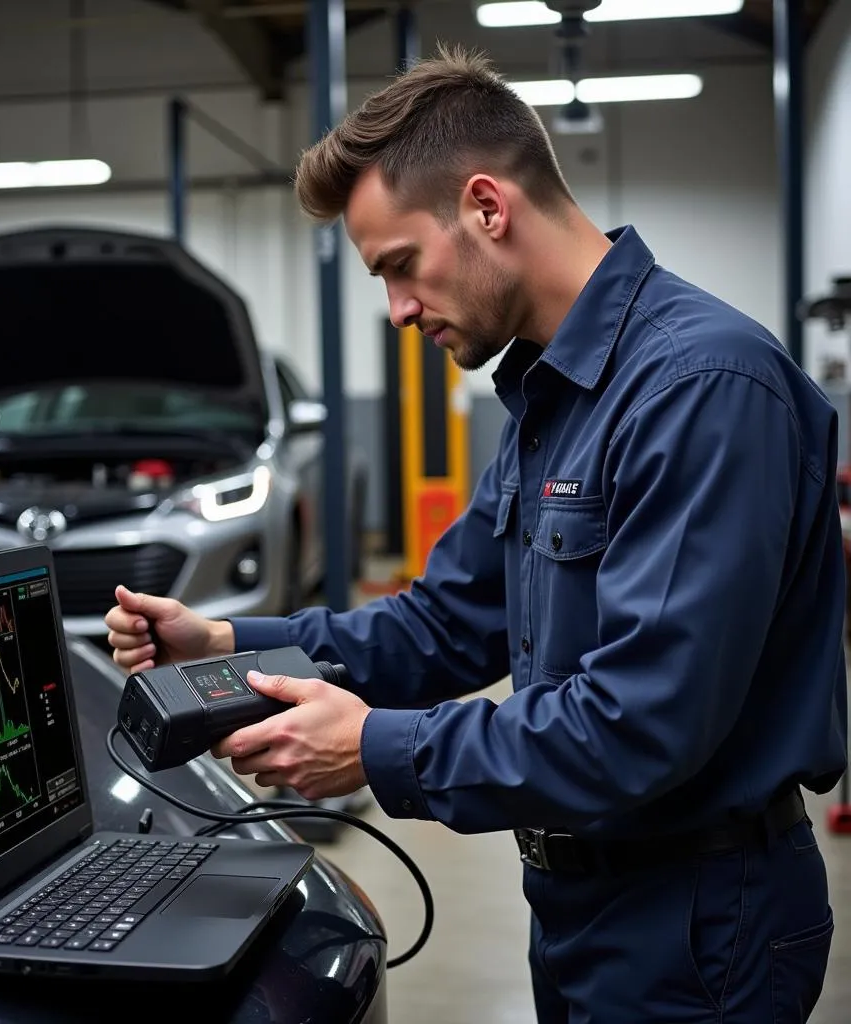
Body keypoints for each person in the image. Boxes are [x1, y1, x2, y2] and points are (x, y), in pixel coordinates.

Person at [105, 44, 848, 1022]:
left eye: (400, 267)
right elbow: (443, 624)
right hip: (582, 900)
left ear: (487, 208)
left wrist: (374, 750)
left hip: (698, 915)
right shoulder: (551, 396)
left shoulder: (697, 389)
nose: (398, 310)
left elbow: (640, 723)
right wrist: (229, 645)